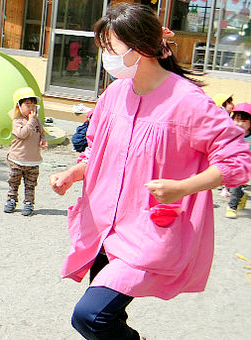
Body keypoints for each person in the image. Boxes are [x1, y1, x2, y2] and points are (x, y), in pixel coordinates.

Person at [49, 3, 251, 339]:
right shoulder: (113, 95)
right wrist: (72, 173)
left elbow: (238, 161)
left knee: (90, 316)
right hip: (104, 228)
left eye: (109, 48)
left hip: (148, 232)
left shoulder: (188, 101)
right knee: (109, 320)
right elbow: (99, 152)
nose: (105, 57)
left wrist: (183, 187)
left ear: (139, 48)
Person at [4, 87, 48, 216]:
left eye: (33, 105)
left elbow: (41, 133)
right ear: (19, 106)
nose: (31, 108)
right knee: (13, 181)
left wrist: (43, 141)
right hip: (17, 159)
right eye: (27, 105)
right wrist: (31, 121)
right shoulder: (17, 121)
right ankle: (11, 200)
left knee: (31, 183)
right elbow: (22, 134)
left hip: (33, 160)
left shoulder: (37, 122)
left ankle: (29, 203)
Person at [226, 102, 251, 218]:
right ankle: (241, 195)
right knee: (232, 185)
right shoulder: (231, 133)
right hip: (231, 162)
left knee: (235, 185)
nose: (240, 124)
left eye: (244, 121)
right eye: (237, 120)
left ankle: (232, 207)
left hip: (245, 165)